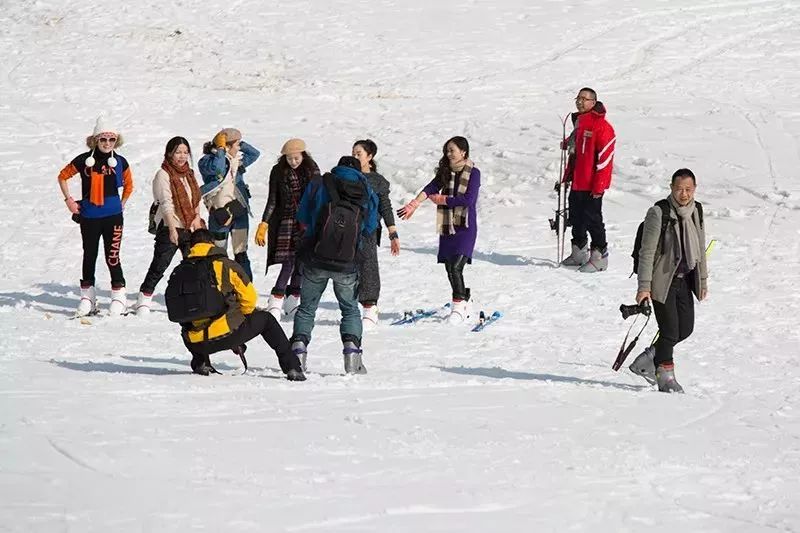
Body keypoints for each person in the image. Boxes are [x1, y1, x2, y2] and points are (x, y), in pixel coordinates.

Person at [290, 156, 379, 375]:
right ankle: (353, 358)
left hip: (316, 257)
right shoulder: (367, 189)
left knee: (307, 308)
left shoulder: (319, 183)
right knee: (349, 309)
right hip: (347, 262)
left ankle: (298, 355)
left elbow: (302, 216)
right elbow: (370, 227)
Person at [179, 229, 305, 380]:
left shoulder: (181, 270)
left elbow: (178, 310)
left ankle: (201, 363)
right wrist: (236, 320)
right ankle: (292, 368)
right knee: (267, 319)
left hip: (195, 342)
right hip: (227, 335)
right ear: (211, 244)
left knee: (191, 316)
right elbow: (249, 299)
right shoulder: (225, 265)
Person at [630, 169, 708, 393]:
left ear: (694, 189)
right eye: (679, 189)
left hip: (686, 279)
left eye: (688, 189)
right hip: (661, 282)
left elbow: (700, 248)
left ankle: (648, 359)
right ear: (671, 188)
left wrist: (702, 280)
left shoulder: (697, 210)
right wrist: (644, 287)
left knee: (685, 329)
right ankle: (666, 377)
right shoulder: (659, 212)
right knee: (670, 331)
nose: (683, 194)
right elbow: (647, 252)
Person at [397, 136, 480, 323]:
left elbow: (468, 199)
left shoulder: (474, 173)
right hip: (448, 225)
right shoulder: (446, 172)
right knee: (450, 267)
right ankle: (464, 298)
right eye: (447, 151)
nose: (449, 154)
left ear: (463, 152)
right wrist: (414, 204)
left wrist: (443, 200)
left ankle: (458, 308)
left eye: (452, 150)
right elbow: (432, 187)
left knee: (457, 266)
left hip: (465, 226)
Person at [57, 115, 133, 316]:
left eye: (112, 139)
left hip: (113, 218)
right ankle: (87, 298)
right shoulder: (84, 161)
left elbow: (129, 185)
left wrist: (121, 205)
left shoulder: (120, 162)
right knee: (89, 255)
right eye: (103, 139)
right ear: (95, 140)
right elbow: (62, 176)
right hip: (89, 217)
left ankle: (119, 296)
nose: (107, 143)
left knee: (112, 256)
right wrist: (69, 201)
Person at [135, 137, 205, 315]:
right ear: (169, 154)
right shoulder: (163, 174)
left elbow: (196, 198)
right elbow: (166, 203)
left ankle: (193, 299)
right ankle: (145, 296)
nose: (182, 156)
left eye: (185, 152)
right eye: (178, 152)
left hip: (190, 226)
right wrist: (173, 229)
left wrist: (197, 218)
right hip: (170, 226)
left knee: (195, 265)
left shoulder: (189, 173)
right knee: (160, 264)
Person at [254, 138, 320, 321]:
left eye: (296, 158)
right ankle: (276, 300)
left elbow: (319, 198)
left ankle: (293, 300)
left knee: (302, 261)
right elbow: (272, 199)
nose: (293, 162)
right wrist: (264, 223)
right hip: (287, 221)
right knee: (289, 261)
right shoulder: (278, 171)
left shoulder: (312, 170)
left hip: (307, 222)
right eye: (290, 158)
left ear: (303, 155)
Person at [560, 87, 616, 273]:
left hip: (592, 184)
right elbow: (576, 153)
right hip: (578, 181)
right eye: (578, 98)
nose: (580, 102)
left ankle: (600, 256)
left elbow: (605, 158)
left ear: (593, 102)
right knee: (576, 217)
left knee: (593, 219)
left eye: (585, 99)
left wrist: (599, 185)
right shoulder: (580, 123)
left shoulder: (602, 126)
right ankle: (579, 251)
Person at [198, 128, 259, 281]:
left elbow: (255, 154)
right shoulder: (207, 161)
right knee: (218, 254)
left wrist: (240, 142)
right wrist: (220, 149)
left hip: (239, 212)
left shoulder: (236, 162)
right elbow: (217, 169)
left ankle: (245, 292)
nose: (240, 148)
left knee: (241, 253)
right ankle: (218, 292)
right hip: (220, 214)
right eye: (238, 145)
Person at [351, 139, 400, 329]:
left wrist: (392, 232)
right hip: (347, 229)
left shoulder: (378, 181)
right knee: (348, 267)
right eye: (353, 153)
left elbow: (385, 207)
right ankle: (351, 306)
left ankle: (370, 306)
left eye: (359, 154)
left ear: (369, 157)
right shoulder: (348, 176)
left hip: (369, 230)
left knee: (368, 265)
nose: (355, 157)